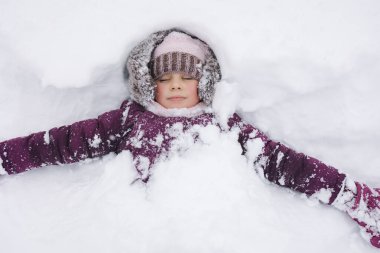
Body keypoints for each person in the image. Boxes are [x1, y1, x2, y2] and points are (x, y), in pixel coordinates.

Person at [0, 27, 379, 248]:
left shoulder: (226, 127)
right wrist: (6, 157)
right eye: (165, 79)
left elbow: (288, 166)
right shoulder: (127, 121)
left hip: (211, 234)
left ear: (207, 81)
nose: (176, 87)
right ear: (150, 83)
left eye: (187, 78)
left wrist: (351, 195)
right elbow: (62, 142)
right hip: (138, 235)